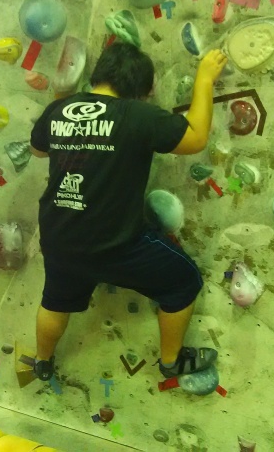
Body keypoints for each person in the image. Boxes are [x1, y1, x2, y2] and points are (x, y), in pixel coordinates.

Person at [29, 42, 228, 381]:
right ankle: (171, 362)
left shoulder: (59, 110)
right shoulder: (136, 115)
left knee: (56, 301)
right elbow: (195, 138)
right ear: (139, 89)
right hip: (115, 244)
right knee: (184, 281)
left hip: (59, 236)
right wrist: (205, 78)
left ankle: (42, 362)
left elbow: (37, 150)